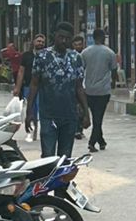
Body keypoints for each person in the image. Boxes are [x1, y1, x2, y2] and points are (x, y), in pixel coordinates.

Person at [26, 22, 90, 157]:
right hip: (48, 116)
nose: (64, 41)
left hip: (69, 115)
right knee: (48, 155)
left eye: (67, 38)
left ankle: (61, 179)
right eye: (61, 37)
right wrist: (29, 111)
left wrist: (86, 112)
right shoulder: (42, 56)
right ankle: (48, 178)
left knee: (65, 157)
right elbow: (34, 84)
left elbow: (79, 87)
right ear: (54, 36)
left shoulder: (76, 58)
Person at [82, 27, 116, 152]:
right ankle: (92, 142)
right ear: (103, 37)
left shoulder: (85, 53)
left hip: (89, 90)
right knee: (98, 118)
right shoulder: (110, 53)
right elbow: (114, 70)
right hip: (103, 90)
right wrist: (113, 84)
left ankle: (101, 141)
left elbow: (81, 70)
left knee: (96, 116)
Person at [15, 33, 46, 143]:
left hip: (43, 88)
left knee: (40, 109)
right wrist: (17, 87)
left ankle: (36, 133)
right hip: (28, 86)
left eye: (42, 42)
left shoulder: (47, 56)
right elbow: (21, 71)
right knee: (31, 109)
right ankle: (31, 130)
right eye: (38, 41)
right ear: (33, 42)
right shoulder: (27, 56)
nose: (40, 43)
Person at [72, 35, 87, 140]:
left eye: (80, 44)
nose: (78, 47)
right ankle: (76, 129)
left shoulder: (86, 55)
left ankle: (80, 128)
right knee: (77, 108)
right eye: (76, 45)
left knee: (82, 108)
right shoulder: (72, 56)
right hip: (75, 86)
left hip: (85, 85)